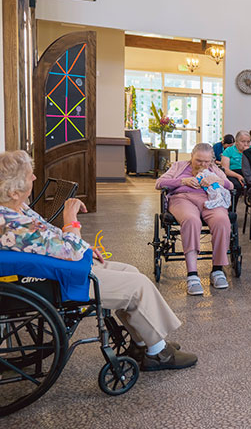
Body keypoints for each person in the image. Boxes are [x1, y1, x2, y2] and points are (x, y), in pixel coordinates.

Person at [0, 150, 198, 370]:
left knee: (130, 270)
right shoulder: (14, 225)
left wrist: (81, 247)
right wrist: (70, 220)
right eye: (29, 175)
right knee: (137, 286)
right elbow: (69, 248)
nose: (35, 178)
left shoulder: (14, 209)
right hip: (57, 281)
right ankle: (158, 353)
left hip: (55, 269)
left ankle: (143, 342)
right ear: (14, 191)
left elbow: (51, 241)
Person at [156, 143, 235, 296]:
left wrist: (216, 179)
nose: (203, 164)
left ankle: (218, 270)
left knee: (222, 220)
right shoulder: (179, 166)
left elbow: (230, 185)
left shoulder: (214, 169)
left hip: (209, 199)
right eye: (199, 160)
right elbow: (159, 183)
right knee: (192, 220)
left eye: (207, 162)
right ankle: (192, 274)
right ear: (191, 156)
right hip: (182, 198)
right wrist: (182, 181)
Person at [221, 130, 251, 194]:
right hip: (233, 173)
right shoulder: (229, 150)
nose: (246, 144)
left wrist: (247, 153)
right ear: (236, 142)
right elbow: (225, 169)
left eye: (248, 142)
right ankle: (233, 203)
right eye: (243, 141)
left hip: (248, 173)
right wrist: (238, 176)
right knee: (236, 185)